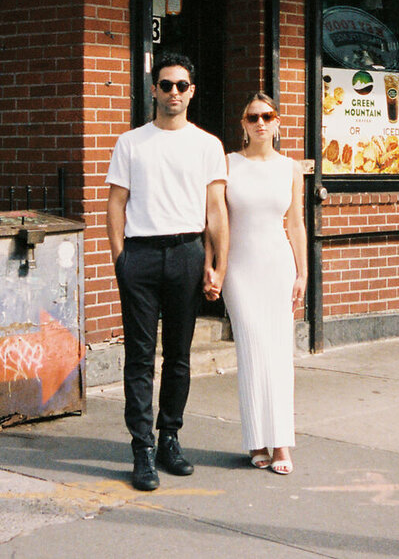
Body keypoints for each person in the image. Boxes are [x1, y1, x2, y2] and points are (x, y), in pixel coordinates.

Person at [106, 53, 229, 492]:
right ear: (153, 90)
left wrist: (216, 266)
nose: (173, 92)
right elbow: (116, 205)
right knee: (139, 358)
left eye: (181, 85)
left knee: (177, 355)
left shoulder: (207, 145)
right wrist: (121, 259)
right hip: (140, 255)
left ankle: (169, 439)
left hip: (186, 254)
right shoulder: (131, 143)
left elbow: (216, 212)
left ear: (191, 91)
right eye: (165, 85)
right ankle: (141, 448)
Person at [217, 92, 307, 476]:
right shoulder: (227, 164)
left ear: (278, 122)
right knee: (252, 349)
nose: (260, 123)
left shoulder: (290, 168)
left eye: (267, 116)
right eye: (253, 117)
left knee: (278, 353)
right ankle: (255, 439)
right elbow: (216, 222)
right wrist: (216, 268)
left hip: (278, 266)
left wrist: (302, 272)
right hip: (239, 269)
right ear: (243, 124)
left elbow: (297, 224)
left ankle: (281, 442)